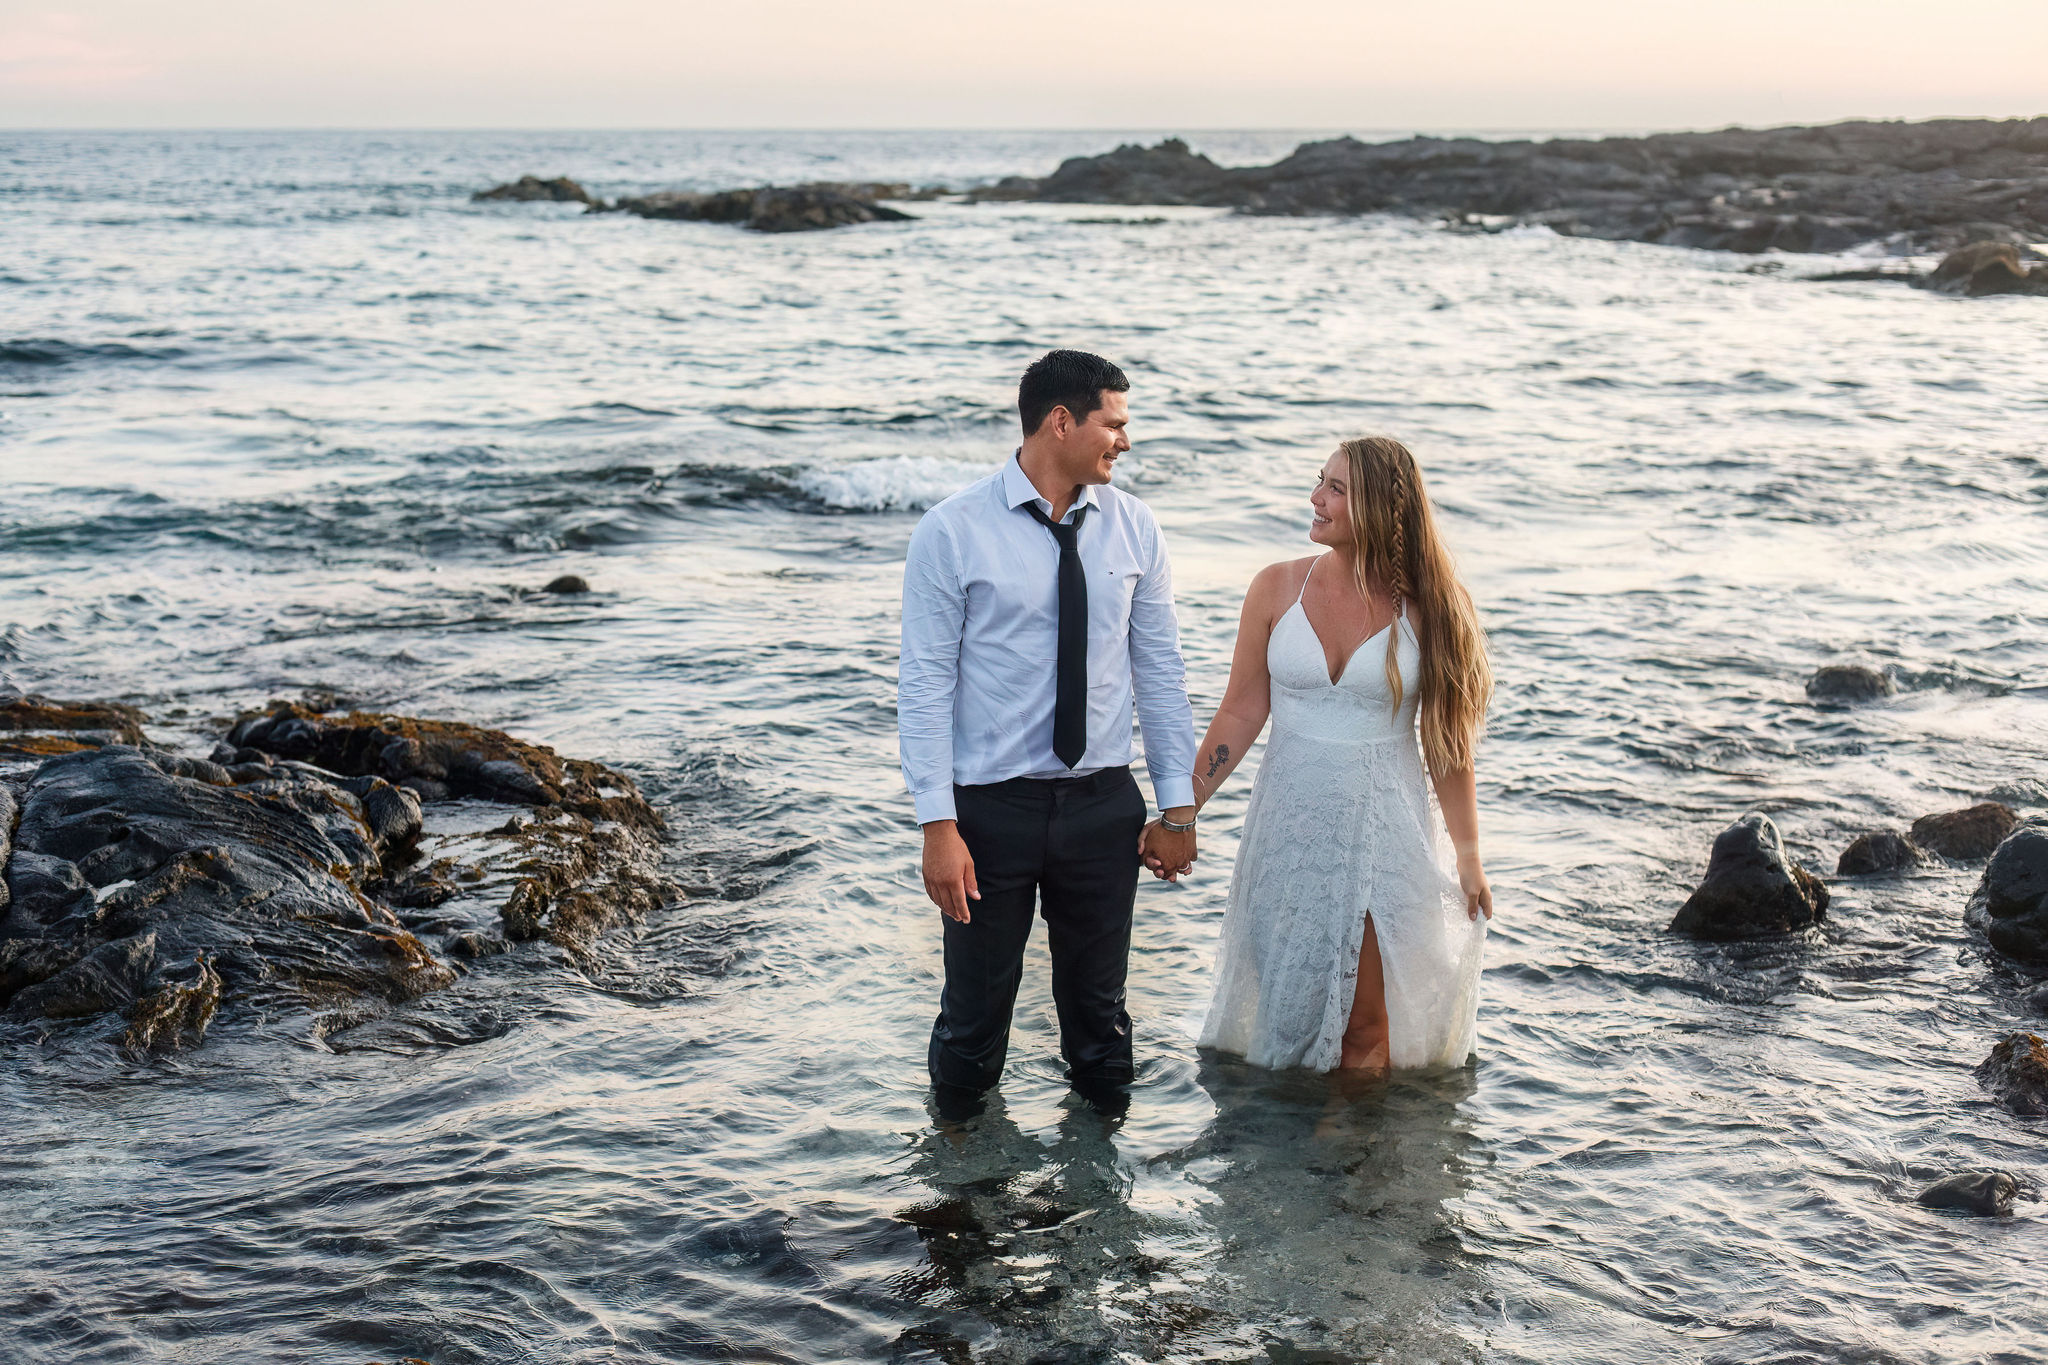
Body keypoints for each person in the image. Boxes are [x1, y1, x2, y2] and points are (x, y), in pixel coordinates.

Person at [899, 350, 1198, 1107]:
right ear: (1060, 421)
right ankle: (959, 1200)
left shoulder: (1136, 529)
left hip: (1103, 807)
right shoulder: (952, 530)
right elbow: (925, 683)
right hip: (989, 812)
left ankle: (1100, 1199)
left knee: (1101, 1022)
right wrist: (938, 823)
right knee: (973, 1023)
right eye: (1115, 423)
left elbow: (1161, 674)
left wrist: (1177, 808)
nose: (1125, 441)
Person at [1155, 436, 1493, 1073]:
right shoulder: (1276, 588)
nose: (1316, 499)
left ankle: (1344, 1154)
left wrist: (1470, 859)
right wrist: (1182, 811)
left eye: (1337, 489)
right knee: (1291, 1003)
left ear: (1383, 509)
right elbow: (1241, 710)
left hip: (1383, 833)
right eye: (1320, 482)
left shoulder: (1430, 610)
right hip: (1289, 827)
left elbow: (1447, 746)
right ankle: (1296, 1161)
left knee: (1366, 1021)